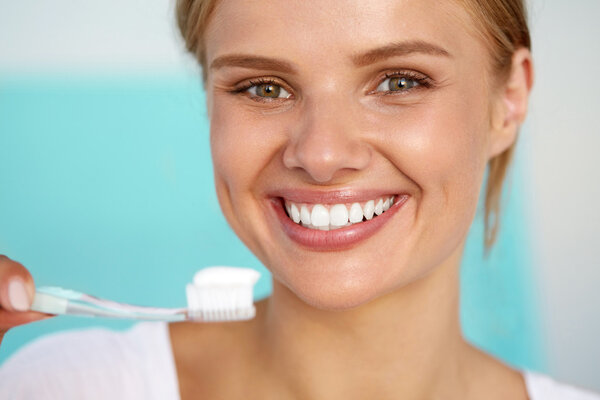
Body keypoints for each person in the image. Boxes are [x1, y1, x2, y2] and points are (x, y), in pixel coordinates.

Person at [0, 0, 599, 398]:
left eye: (398, 81)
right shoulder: (66, 386)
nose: (320, 153)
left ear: (508, 100)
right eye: (263, 87)